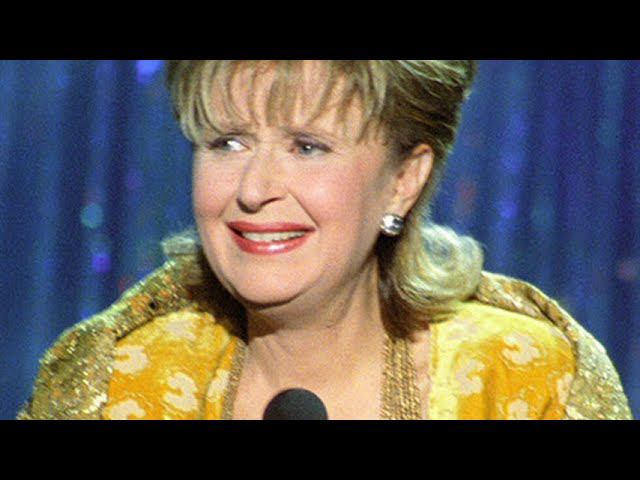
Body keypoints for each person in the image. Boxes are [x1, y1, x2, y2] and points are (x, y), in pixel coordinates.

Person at [19, 60, 632, 420]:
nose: (254, 189)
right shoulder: (119, 381)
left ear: (404, 179)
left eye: (307, 147)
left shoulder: (525, 382)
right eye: (227, 142)